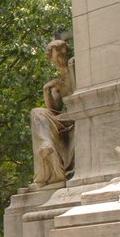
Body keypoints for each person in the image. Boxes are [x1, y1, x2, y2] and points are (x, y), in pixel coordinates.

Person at [30, 39, 75, 187]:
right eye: (56, 55)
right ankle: (46, 143)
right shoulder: (58, 81)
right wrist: (46, 90)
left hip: (79, 112)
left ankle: (47, 147)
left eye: (62, 53)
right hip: (66, 117)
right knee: (37, 112)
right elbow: (54, 109)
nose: (60, 58)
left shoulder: (75, 69)